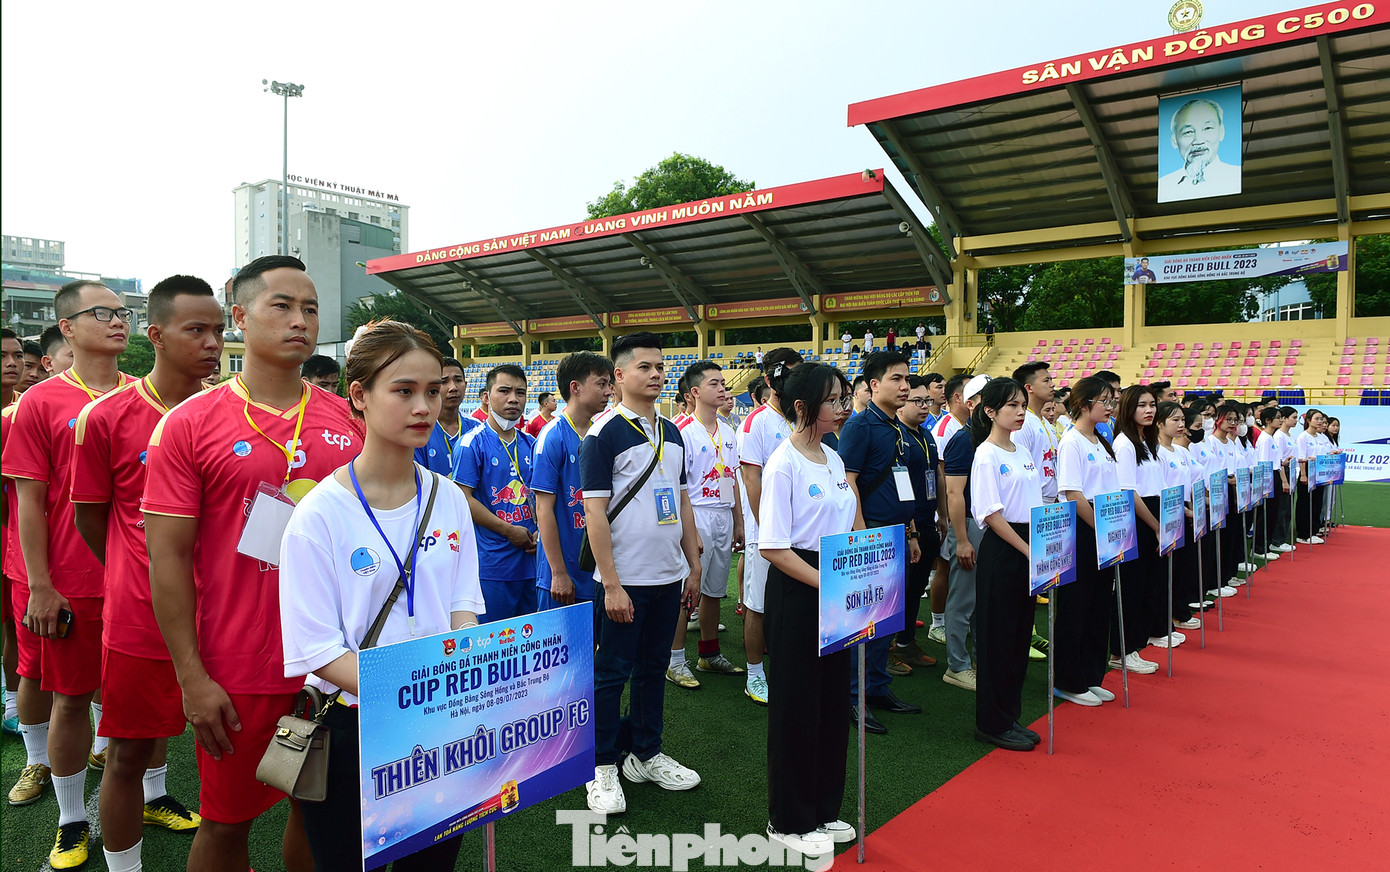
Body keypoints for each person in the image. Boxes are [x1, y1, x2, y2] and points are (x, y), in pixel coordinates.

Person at [143, 255, 362, 872]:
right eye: (283, 306)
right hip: (239, 664)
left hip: (334, 661)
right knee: (224, 821)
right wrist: (192, 677)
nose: (301, 320)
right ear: (239, 317)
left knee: (314, 808)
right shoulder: (188, 425)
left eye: (311, 308)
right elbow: (167, 560)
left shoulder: (347, 418)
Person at [279, 320, 483, 871]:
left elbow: (464, 605)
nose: (424, 406)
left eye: (433, 391)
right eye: (404, 390)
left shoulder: (449, 499)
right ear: (359, 396)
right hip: (352, 729)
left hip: (442, 725)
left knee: (432, 865)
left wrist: (465, 669)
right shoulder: (317, 515)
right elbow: (317, 648)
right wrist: (410, 689)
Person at [73, 276, 218, 871]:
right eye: (196, 330)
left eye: (218, 329)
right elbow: (91, 519)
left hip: (224, 615)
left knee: (228, 751)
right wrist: (144, 579)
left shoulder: (228, 412)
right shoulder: (104, 418)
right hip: (138, 619)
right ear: (156, 336)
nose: (213, 342)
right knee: (126, 755)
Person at [4, 280, 135, 866]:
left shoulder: (145, 395)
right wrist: (41, 584)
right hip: (70, 581)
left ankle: (151, 794)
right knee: (71, 699)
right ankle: (72, 818)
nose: (118, 322)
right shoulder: (40, 402)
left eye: (123, 312)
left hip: (134, 578)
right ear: (68, 328)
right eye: (102, 313)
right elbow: (29, 501)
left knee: (137, 698)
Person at [580, 331, 702, 815]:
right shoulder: (603, 433)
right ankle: (602, 764)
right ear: (620, 376)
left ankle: (646, 752)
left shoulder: (672, 432)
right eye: (645, 367)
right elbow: (594, 512)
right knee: (611, 674)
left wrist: (693, 565)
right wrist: (611, 582)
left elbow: (683, 499)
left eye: (659, 367)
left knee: (653, 669)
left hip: (667, 577)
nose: (655, 374)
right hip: (623, 580)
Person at [759, 362, 858, 858]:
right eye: (834, 399)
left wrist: (859, 572)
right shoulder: (783, 463)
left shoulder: (833, 457)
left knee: (832, 700)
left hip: (836, 585)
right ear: (802, 407)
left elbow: (850, 522)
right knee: (797, 705)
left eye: (844, 397)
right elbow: (773, 546)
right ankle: (789, 819)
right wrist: (831, 584)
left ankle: (823, 807)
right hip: (800, 589)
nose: (843, 407)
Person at [839, 351, 924, 734]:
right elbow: (849, 482)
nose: (905, 386)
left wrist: (909, 531)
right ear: (873, 385)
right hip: (870, 534)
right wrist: (861, 533)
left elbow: (898, 482)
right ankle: (855, 697)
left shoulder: (898, 428)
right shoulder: (861, 426)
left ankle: (876, 688)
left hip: (895, 534)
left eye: (907, 378)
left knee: (887, 621)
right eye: (896, 379)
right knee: (865, 622)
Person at [968, 377, 1044, 751]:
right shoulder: (986, 454)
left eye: (1021, 405)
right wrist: (1028, 550)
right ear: (990, 411)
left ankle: (1009, 715)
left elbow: (1036, 501)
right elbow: (990, 514)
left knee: (1017, 635)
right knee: (997, 638)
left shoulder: (1022, 451)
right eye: (1011, 406)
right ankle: (991, 722)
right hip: (1004, 549)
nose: (1019, 412)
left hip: (1029, 543)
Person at [670, 360, 745, 687]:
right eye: (715, 384)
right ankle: (674, 659)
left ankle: (709, 653)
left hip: (723, 514)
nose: (723, 389)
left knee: (715, 590)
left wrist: (739, 521)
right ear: (695, 392)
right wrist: (689, 531)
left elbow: (734, 479)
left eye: (724, 384)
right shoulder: (681, 430)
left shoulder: (728, 431)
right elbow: (674, 486)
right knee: (688, 591)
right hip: (695, 515)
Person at [1053, 376, 1127, 705]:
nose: (1111, 407)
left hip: (1106, 526)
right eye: (1105, 402)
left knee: (1099, 605)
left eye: (1112, 402)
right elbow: (1073, 494)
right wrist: (1100, 529)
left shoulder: (1100, 440)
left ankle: (1090, 674)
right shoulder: (1072, 442)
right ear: (1085, 405)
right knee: (1076, 605)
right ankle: (1068, 679)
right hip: (1086, 530)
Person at [737, 348, 804, 706]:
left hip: (801, 533)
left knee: (788, 603)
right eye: (788, 374)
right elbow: (752, 481)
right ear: (770, 379)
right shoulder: (756, 423)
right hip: (768, 534)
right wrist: (771, 530)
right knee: (758, 604)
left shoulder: (801, 417)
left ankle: (784, 666)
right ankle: (753, 674)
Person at [453, 364, 538, 623]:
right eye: (504, 391)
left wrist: (541, 532)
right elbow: (463, 499)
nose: (513, 399)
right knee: (495, 643)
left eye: (520, 393)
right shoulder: (471, 443)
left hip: (533, 563)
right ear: (487, 397)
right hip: (493, 565)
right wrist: (508, 530)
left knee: (531, 640)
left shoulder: (531, 444)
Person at [533, 352, 613, 616]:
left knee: (593, 649)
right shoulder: (552, 436)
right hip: (563, 571)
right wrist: (557, 573)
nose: (609, 391)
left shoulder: (600, 433)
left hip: (596, 568)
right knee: (563, 652)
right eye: (601, 383)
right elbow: (543, 510)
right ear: (575, 387)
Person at [1112, 385, 1181, 666]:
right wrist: (1155, 525)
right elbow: (1129, 492)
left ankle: (1136, 644)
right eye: (1142, 405)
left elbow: (1159, 485)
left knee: (1148, 584)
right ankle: (1122, 651)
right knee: (1132, 587)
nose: (1149, 410)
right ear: (1129, 408)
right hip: (1139, 520)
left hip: (1154, 515)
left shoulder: (1146, 442)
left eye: (1152, 404)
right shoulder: (1124, 444)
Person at [939, 375, 989, 691]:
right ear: (970, 404)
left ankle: (977, 659)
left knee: (982, 597)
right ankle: (957, 665)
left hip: (988, 525)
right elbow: (955, 494)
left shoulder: (992, 439)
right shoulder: (963, 439)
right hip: (970, 525)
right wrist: (962, 539)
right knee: (963, 597)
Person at [892, 375, 943, 674]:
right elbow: (900, 488)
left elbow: (936, 476)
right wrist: (910, 529)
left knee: (914, 589)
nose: (925, 407)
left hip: (927, 523)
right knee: (898, 589)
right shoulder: (896, 436)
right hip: (905, 527)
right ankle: (888, 647)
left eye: (928, 401)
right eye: (918, 401)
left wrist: (943, 517)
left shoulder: (926, 435)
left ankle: (906, 642)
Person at [1158, 98, 1241, 201]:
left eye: (1207, 128)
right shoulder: (1165, 185)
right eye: (1188, 132)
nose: (1198, 140)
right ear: (1174, 140)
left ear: (1221, 132)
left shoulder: (1236, 176)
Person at [415, 356, 478, 476]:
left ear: (465, 384)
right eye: (444, 382)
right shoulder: (419, 429)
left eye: (458, 380)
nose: (453, 388)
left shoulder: (477, 429)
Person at [1294, 409, 1326, 545]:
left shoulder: (1321, 437)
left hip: (1319, 471)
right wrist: (1303, 475)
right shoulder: (1303, 437)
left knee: (1317, 502)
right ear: (1308, 420)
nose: (1319, 422)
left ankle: (1313, 530)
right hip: (1307, 470)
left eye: (1321, 419)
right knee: (1305, 503)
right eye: (1317, 419)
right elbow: (1301, 457)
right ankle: (1303, 533)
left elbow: (1326, 452)